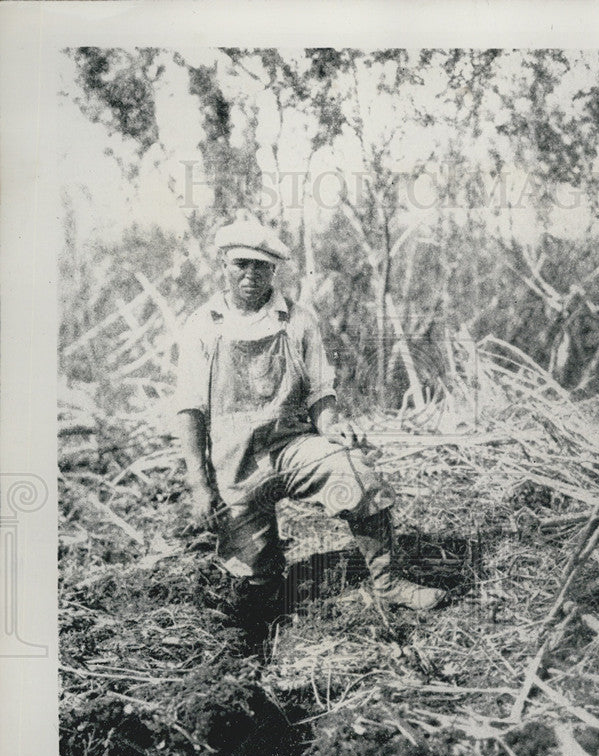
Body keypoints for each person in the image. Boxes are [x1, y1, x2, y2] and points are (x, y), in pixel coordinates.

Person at [174, 214, 445, 632]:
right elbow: (190, 409)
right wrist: (198, 484)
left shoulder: (296, 319)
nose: (250, 274)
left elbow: (320, 391)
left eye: (261, 266)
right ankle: (257, 632)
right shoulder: (202, 326)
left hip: (291, 448)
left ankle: (388, 582)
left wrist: (332, 428)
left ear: (274, 270)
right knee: (252, 577)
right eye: (240, 264)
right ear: (224, 265)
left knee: (353, 471)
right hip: (236, 464)